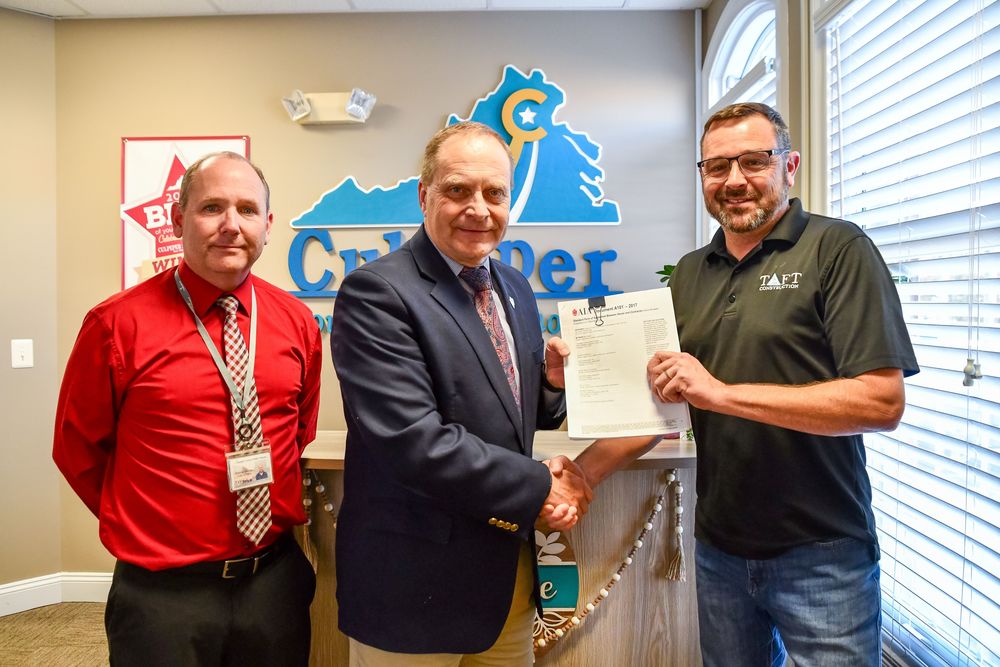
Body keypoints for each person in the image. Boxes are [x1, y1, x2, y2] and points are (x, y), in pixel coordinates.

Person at [575, 102, 919, 666]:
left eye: (753, 161)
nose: (734, 180)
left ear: (790, 167)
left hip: (823, 554)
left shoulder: (838, 250)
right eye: (716, 167)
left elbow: (881, 401)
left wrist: (720, 394)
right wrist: (580, 472)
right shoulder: (690, 273)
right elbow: (659, 400)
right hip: (720, 551)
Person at [330, 121, 592, 666]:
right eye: (458, 190)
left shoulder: (513, 287)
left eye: (494, 192)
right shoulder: (377, 292)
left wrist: (549, 386)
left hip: (505, 584)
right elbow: (412, 440)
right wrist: (540, 484)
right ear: (424, 195)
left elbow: (508, 416)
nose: (479, 208)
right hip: (412, 587)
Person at [53, 152, 322, 667]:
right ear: (178, 220)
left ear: (267, 225)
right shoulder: (115, 325)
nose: (230, 225)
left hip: (274, 584)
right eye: (211, 208)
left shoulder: (296, 322)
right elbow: (77, 449)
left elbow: (298, 431)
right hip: (163, 595)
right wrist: (151, 521)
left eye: (247, 210)